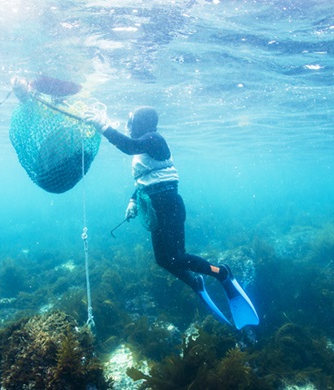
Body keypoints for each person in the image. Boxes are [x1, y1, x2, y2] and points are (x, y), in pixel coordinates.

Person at [85, 106, 258, 329]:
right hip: (155, 206)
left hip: (169, 205)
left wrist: (104, 127)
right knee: (163, 260)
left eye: (131, 121)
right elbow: (147, 177)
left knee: (176, 256)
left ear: (142, 122)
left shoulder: (154, 139)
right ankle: (195, 281)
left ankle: (221, 272)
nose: (128, 125)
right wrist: (133, 200)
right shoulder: (145, 144)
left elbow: (129, 146)